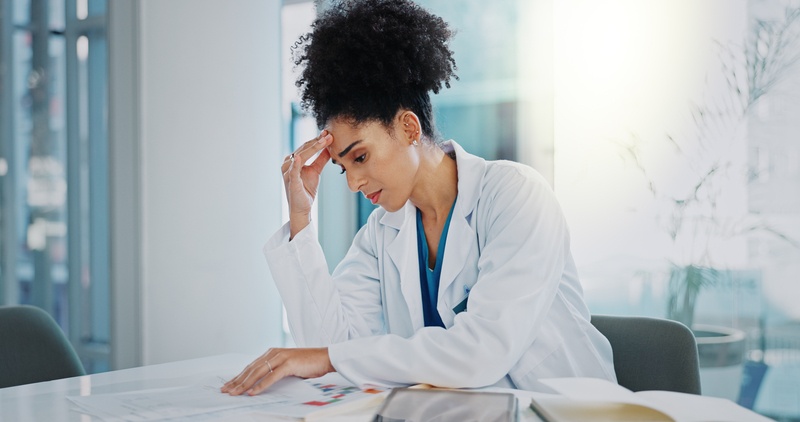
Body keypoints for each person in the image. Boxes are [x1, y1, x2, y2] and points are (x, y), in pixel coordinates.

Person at [222, 0, 615, 397]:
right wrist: (301, 217)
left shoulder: (516, 197)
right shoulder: (383, 232)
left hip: (563, 409)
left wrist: (329, 358)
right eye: (343, 168)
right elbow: (328, 345)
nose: (353, 183)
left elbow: (482, 352)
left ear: (409, 127)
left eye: (360, 157)